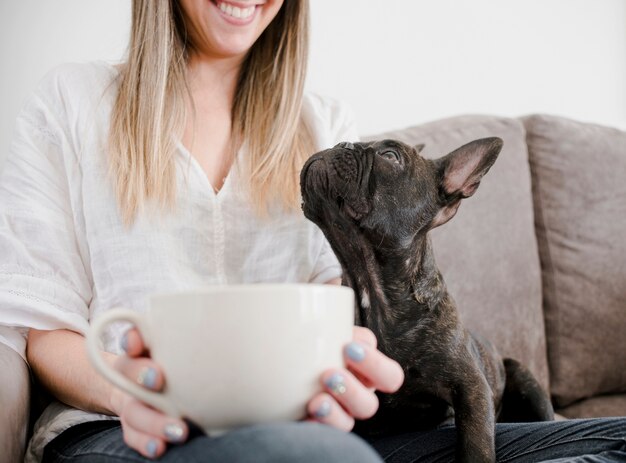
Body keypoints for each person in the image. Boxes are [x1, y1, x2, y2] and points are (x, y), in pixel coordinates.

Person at [0, 1, 624, 462]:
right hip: (122, 428)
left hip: (316, 426)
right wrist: (135, 389)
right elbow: (45, 332)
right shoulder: (71, 103)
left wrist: (353, 373)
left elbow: (347, 308)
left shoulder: (324, 128)